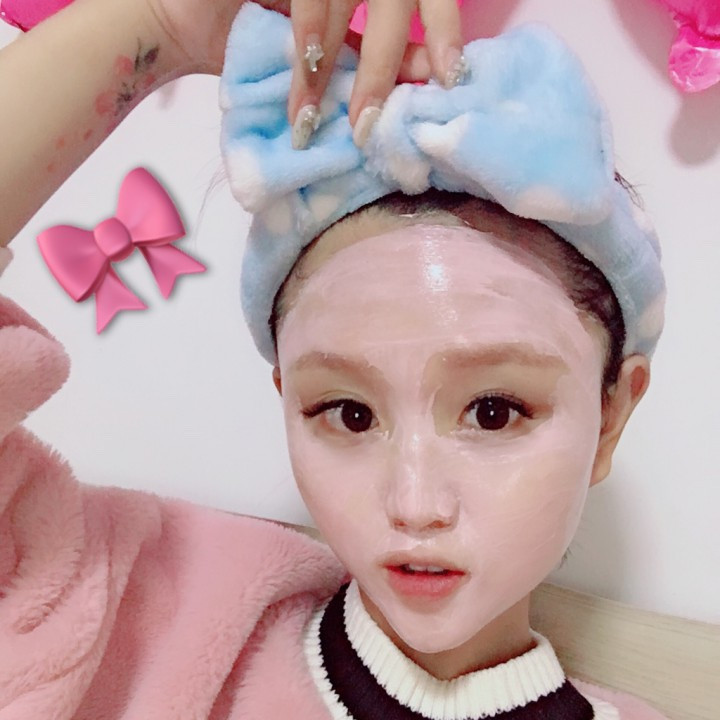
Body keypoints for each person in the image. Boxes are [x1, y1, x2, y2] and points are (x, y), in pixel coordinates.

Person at [0, 1, 668, 718]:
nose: (415, 506)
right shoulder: (136, 609)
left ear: (610, 417)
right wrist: (166, 22)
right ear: (286, 396)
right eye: (349, 414)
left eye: (494, 412)